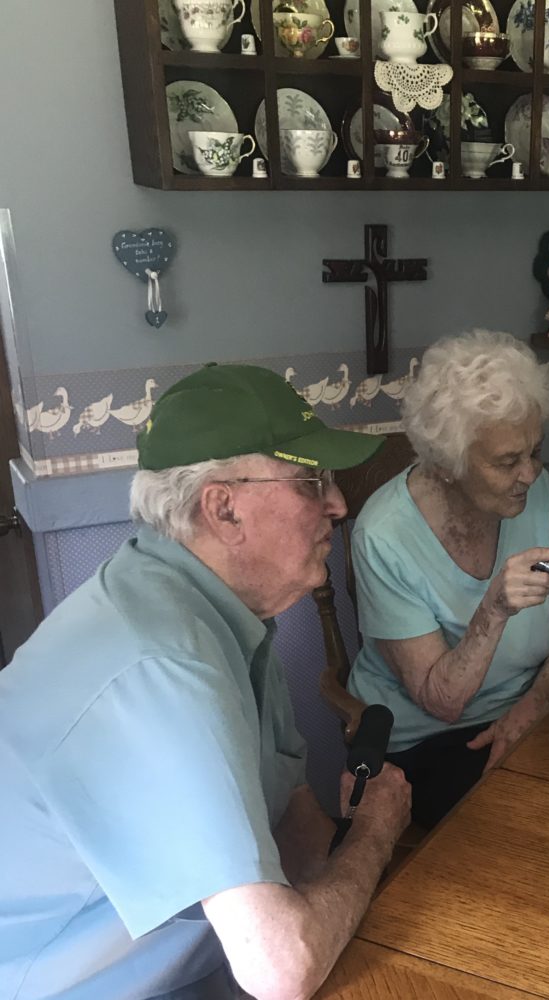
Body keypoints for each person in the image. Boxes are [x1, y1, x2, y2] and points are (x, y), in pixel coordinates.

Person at [0, 364, 411, 1000]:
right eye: (311, 482)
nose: (338, 504)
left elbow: (295, 829)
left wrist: (346, 857)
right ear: (223, 509)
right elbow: (281, 969)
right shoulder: (169, 661)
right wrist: (376, 833)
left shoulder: (220, 612)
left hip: (189, 961)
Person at [347, 331, 549, 829]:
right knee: (522, 838)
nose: (530, 473)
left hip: (532, 711)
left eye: (536, 452)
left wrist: (529, 711)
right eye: (507, 461)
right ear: (448, 466)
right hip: (427, 741)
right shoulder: (384, 533)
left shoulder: (536, 493)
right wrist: (494, 610)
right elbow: (443, 702)